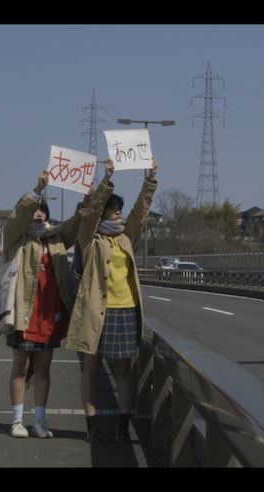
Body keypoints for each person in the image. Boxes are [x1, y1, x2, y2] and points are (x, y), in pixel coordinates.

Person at [0, 170, 105, 438]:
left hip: (49, 315)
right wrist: (38, 190)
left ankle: (40, 420)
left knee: (43, 369)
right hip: (23, 313)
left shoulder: (56, 237)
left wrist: (87, 199)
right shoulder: (15, 238)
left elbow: (77, 221)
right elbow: (16, 218)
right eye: (34, 210)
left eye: (42, 210)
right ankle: (17, 420)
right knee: (22, 367)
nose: (38, 214)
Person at [65, 157, 158, 443]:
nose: (118, 213)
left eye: (119, 209)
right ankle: (91, 425)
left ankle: (122, 425)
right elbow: (89, 214)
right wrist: (106, 181)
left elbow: (141, 212)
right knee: (91, 369)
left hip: (126, 310)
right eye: (113, 209)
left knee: (123, 371)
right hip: (96, 311)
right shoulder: (89, 239)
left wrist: (150, 180)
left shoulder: (126, 237)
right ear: (103, 212)